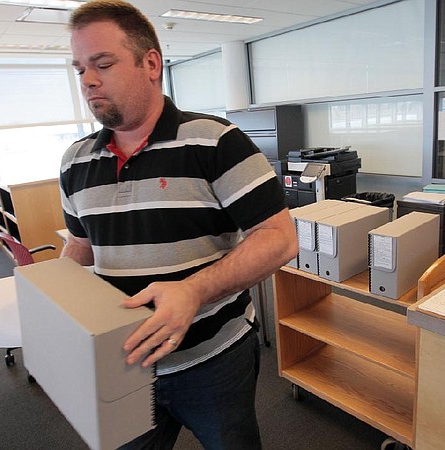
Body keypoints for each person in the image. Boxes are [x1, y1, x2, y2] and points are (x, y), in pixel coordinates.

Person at [59, 1, 298, 448]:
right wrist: (48, 298)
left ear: (151, 63)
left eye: (103, 63)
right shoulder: (74, 161)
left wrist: (193, 290)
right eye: (79, 69)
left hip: (213, 359)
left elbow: (280, 239)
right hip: (123, 362)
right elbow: (80, 247)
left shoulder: (216, 141)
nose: (89, 80)